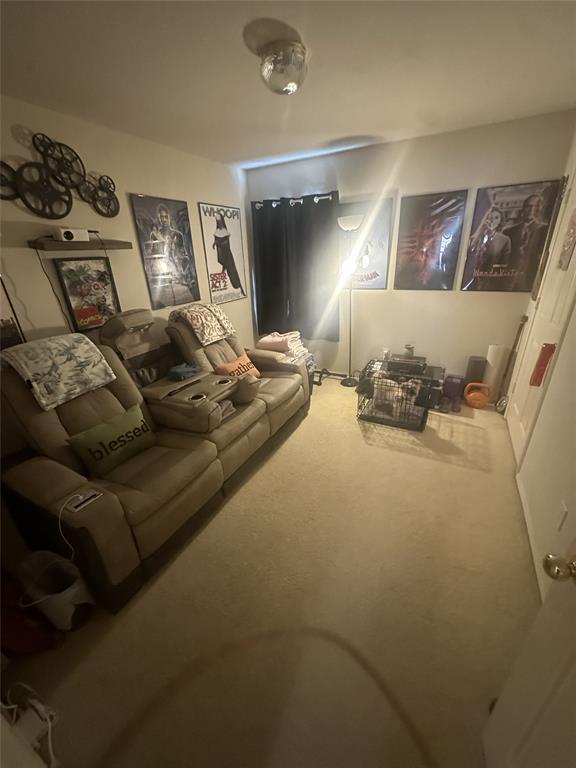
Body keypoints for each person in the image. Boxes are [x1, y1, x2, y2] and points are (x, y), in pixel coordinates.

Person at [503, 194, 548, 291]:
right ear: (524, 208)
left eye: (535, 206)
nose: (531, 210)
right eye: (529, 206)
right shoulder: (509, 231)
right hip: (507, 279)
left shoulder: (545, 230)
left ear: (540, 209)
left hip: (529, 280)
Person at [465, 206, 512, 290]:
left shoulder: (505, 240)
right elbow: (469, 252)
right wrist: (480, 232)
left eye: (496, 218)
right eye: (490, 217)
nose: (493, 221)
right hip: (469, 279)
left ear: (500, 221)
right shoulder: (475, 237)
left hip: (490, 281)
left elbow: (504, 264)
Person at [212, 213, 245, 296]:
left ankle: (240, 288)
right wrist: (216, 243)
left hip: (227, 253)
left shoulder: (225, 231)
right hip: (222, 253)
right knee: (228, 267)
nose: (218, 222)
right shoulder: (217, 232)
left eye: (219, 220)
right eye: (217, 220)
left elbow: (226, 242)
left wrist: (217, 242)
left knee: (233, 270)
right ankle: (224, 269)